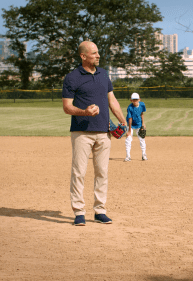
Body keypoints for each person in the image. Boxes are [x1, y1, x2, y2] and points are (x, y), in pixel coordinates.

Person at [62, 41, 126, 226]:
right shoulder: (72, 77)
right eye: (94, 53)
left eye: (98, 53)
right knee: (79, 172)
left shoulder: (103, 73)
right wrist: (85, 112)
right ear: (83, 56)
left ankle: (100, 210)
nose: (98, 56)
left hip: (104, 132)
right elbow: (67, 107)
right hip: (82, 133)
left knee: (102, 173)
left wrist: (122, 121)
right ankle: (79, 212)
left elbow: (112, 100)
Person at [124, 93, 147, 162]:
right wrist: (129, 131)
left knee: (142, 139)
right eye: (133, 100)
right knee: (128, 140)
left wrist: (143, 124)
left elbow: (142, 113)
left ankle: (144, 155)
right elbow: (130, 118)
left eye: (136, 100)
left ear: (139, 99)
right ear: (131, 100)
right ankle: (128, 156)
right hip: (131, 124)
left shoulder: (142, 104)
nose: (135, 101)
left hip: (139, 124)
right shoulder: (130, 108)